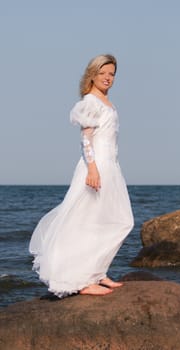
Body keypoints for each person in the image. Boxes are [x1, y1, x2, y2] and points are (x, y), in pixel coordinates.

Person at [29, 54, 134, 297]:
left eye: (112, 74)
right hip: (95, 167)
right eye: (103, 73)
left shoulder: (106, 101)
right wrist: (93, 170)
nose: (108, 78)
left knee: (114, 220)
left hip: (111, 166)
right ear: (92, 75)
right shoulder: (90, 102)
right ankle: (84, 281)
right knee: (88, 220)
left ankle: (98, 272)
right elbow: (86, 140)